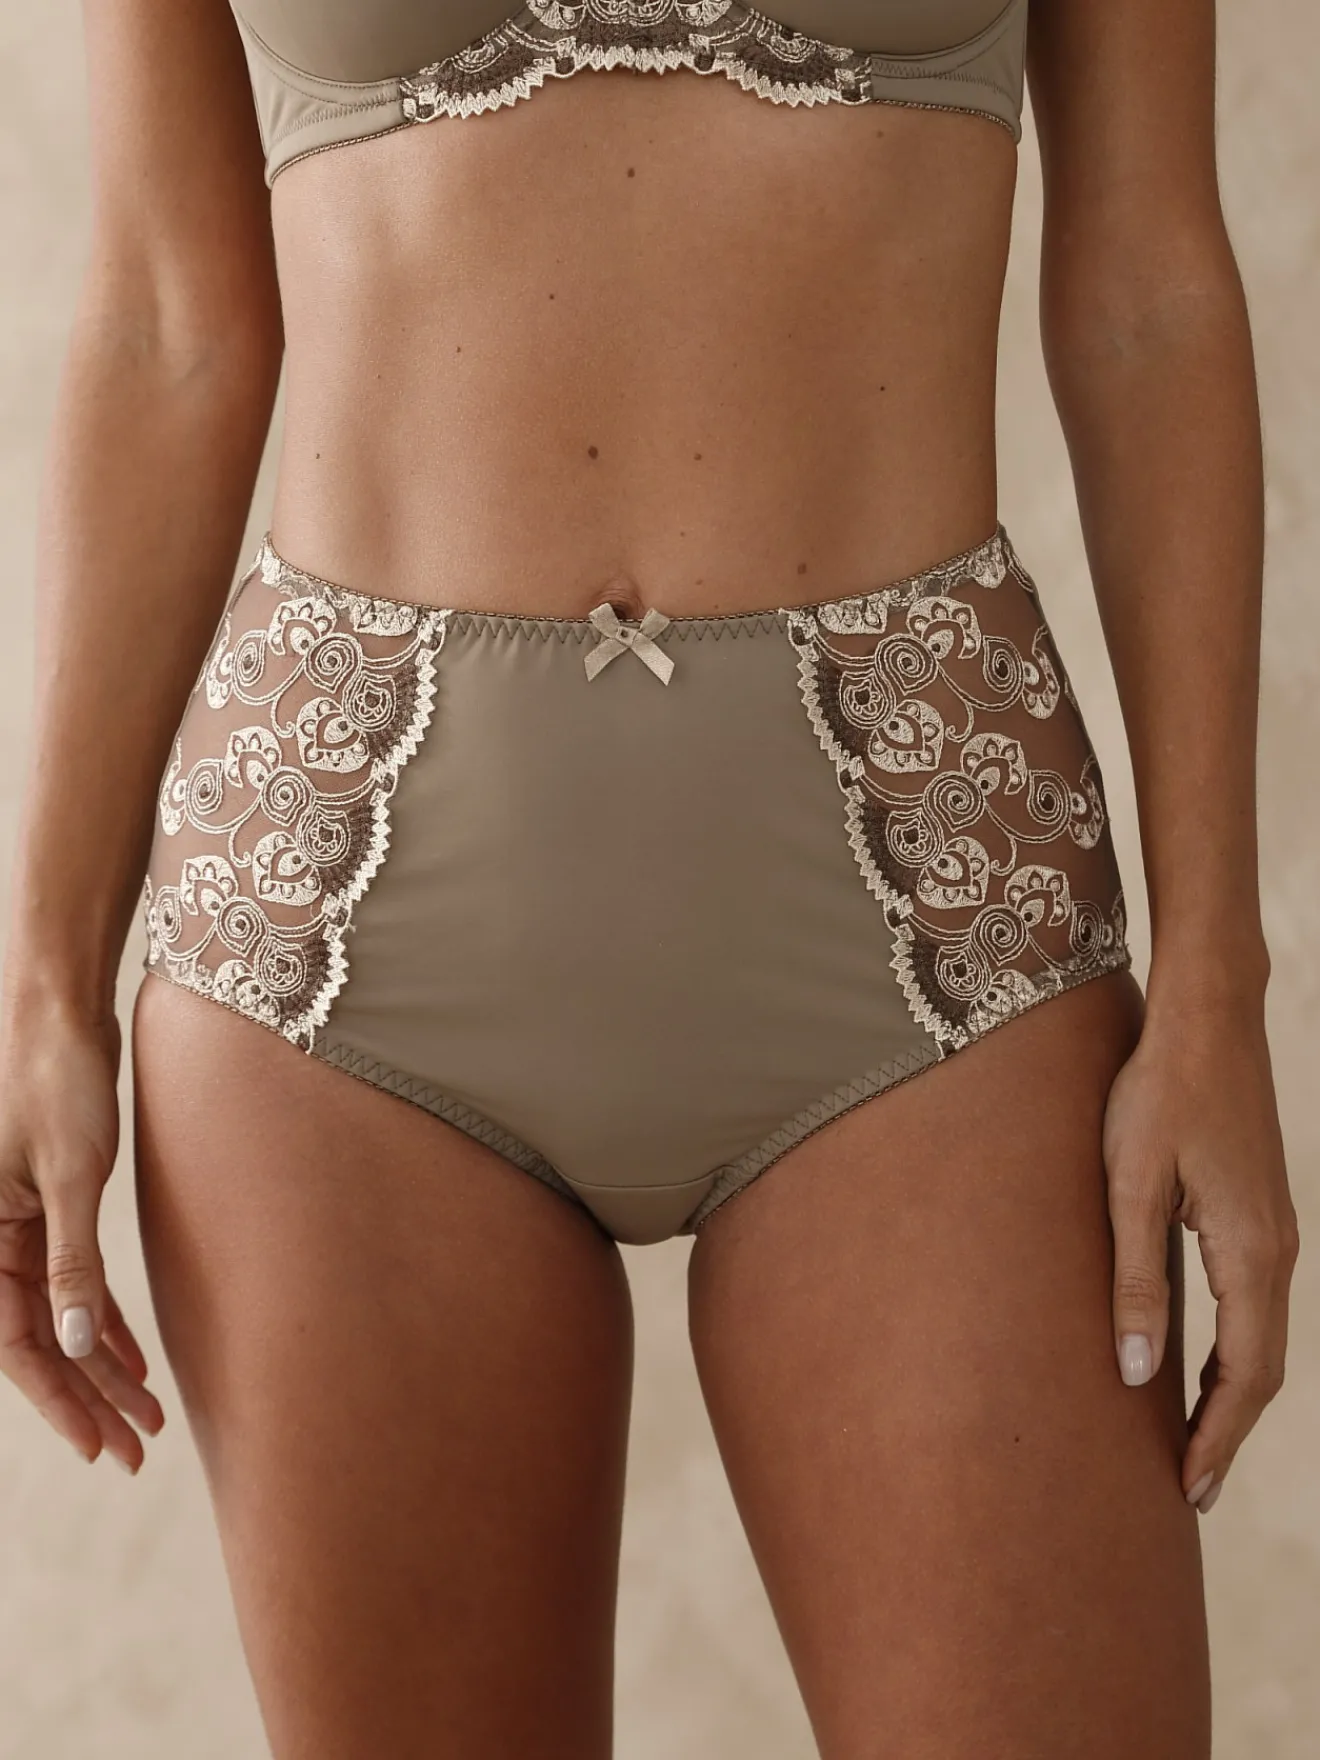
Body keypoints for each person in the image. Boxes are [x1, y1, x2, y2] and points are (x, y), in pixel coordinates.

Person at [0, 0, 1299, 1753]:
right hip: (332, 946)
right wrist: (42, 987)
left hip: (943, 921)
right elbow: (167, 323)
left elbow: (1149, 295)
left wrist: (1218, 977)